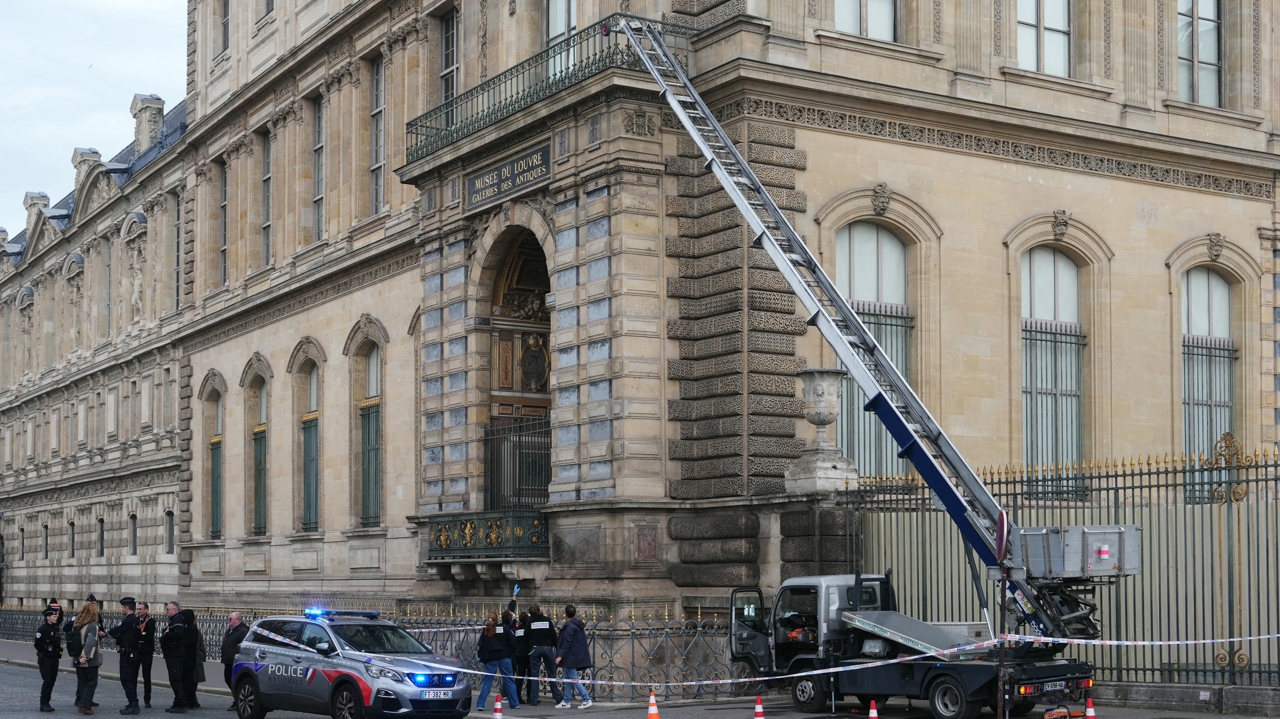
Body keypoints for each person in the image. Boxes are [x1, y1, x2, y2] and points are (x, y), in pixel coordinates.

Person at [475, 614, 520, 711]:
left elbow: (481, 645)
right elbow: (513, 642)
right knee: (509, 680)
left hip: (491, 658)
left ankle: (480, 704)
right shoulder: (505, 628)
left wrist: (482, 657)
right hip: (504, 656)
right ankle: (515, 703)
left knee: (487, 681)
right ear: (497, 619)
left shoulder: (486, 630)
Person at [109, 597, 143, 715]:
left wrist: (118, 635)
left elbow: (113, 632)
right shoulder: (136, 620)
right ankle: (132, 702)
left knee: (126, 679)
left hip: (127, 654)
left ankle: (133, 703)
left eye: (123, 607)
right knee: (132, 678)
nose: (122, 609)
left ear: (126, 607)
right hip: (134, 652)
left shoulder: (127, 621)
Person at [554, 605, 592, 709]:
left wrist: (560, 656)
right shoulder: (576, 625)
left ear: (565, 614)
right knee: (567, 679)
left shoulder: (570, 627)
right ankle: (566, 700)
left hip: (570, 657)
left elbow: (567, 643)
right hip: (572, 656)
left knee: (574, 679)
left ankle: (586, 699)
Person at [526, 603, 561, 707]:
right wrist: (557, 648)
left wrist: (529, 648)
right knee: (551, 673)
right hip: (547, 647)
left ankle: (534, 699)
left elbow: (526, 636)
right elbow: (553, 636)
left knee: (535, 675)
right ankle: (558, 697)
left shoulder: (530, 621)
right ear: (539, 610)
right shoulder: (547, 620)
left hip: (535, 648)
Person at [160, 603, 191, 714]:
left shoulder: (178, 621)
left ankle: (181, 703)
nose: (166, 611)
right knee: (175, 679)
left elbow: (178, 635)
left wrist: (166, 634)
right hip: (172, 654)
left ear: (174, 610)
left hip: (175, 654)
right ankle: (177, 702)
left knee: (176, 679)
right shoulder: (174, 620)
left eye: (168, 609)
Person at [72, 602, 103, 715]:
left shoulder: (77, 623)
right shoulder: (93, 625)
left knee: (83, 682)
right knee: (91, 682)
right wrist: (85, 657)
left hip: (77, 657)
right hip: (88, 660)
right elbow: (90, 642)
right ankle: (84, 706)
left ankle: (82, 702)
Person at [35, 605, 63, 713]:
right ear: (48, 617)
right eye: (53, 616)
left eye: (56, 616)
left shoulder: (55, 628)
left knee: (52, 681)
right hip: (46, 658)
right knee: (47, 681)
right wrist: (44, 651)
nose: (56, 617)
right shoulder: (42, 629)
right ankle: (44, 704)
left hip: (54, 658)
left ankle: (47, 702)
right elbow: (37, 644)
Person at [220, 612, 249, 711]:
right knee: (228, 679)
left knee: (234, 681)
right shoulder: (230, 630)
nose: (228, 621)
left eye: (230, 619)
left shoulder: (243, 630)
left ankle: (238, 701)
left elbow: (243, 646)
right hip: (228, 660)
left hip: (235, 661)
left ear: (237, 620)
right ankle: (237, 699)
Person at [180, 609, 203, 709]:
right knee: (188, 681)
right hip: (189, 659)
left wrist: (202, 656)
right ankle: (192, 700)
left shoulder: (193, 630)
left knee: (191, 682)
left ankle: (191, 700)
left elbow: (198, 645)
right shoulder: (186, 628)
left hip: (194, 659)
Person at [137, 603, 157, 709]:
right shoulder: (134, 620)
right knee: (133, 676)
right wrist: (141, 635)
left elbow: (149, 635)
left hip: (147, 652)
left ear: (146, 610)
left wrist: (140, 635)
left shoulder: (151, 621)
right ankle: (133, 699)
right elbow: (133, 635)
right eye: (137, 609)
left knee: (146, 677)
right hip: (136, 651)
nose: (138, 611)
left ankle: (147, 700)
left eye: (140, 609)